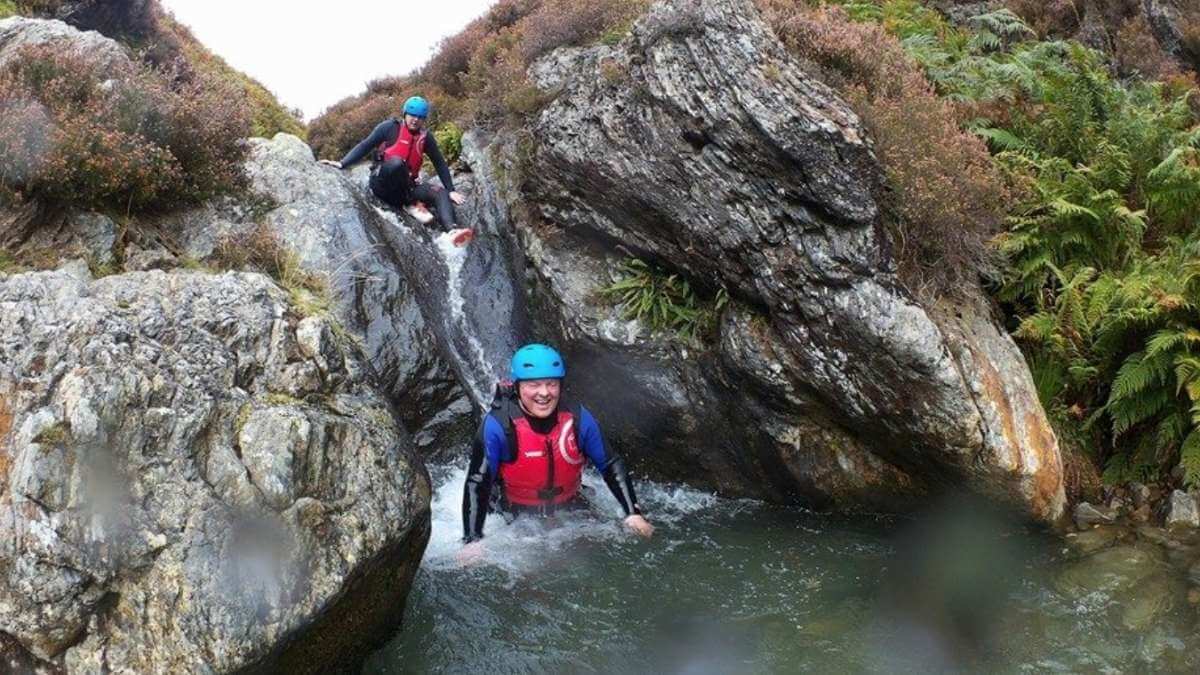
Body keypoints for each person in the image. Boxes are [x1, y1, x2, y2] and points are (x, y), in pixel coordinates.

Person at [460, 344, 654, 558]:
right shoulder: (498, 425)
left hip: (571, 507)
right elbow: (477, 481)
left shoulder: (577, 417)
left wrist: (633, 513)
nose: (544, 393)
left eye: (551, 384)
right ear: (517, 386)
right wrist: (472, 539)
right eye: (534, 385)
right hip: (513, 516)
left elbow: (609, 464)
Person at [319, 95, 472, 246]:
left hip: (406, 189)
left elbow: (439, 163)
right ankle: (410, 205)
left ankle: (452, 232)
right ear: (405, 114)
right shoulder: (389, 127)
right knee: (397, 164)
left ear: (424, 119)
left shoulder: (426, 138)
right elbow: (365, 145)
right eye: (412, 115)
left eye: (420, 117)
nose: (415, 120)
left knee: (441, 192)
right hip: (382, 184)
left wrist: (451, 190)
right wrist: (342, 163)